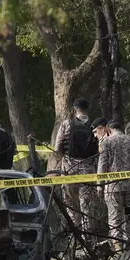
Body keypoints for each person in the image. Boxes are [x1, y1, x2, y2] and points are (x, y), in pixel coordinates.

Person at [97, 120, 130, 251]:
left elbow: (102, 165)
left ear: (108, 129)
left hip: (114, 188)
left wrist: (99, 185)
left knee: (115, 221)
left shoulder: (106, 142)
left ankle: (118, 252)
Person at [55, 98, 100, 239]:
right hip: (88, 169)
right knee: (86, 204)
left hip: (69, 169)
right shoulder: (94, 126)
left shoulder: (66, 124)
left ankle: (75, 237)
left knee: (71, 204)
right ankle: (88, 238)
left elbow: (57, 148)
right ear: (87, 108)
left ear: (74, 109)